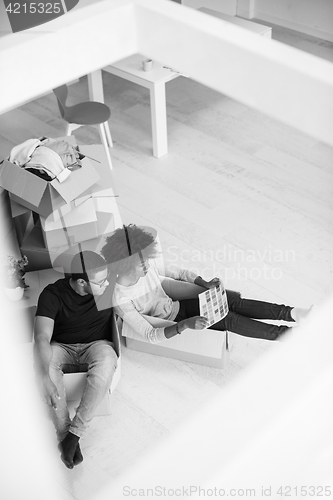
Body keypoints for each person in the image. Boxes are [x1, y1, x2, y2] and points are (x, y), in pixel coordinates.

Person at [101, 224, 311, 344]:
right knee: (228, 319)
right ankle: (285, 335)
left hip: (178, 306)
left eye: (147, 257)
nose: (148, 263)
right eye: (141, 262)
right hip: (174, 322)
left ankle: (293, 313)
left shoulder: (146, 264)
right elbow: (150, 335)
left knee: (231, 300)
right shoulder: (120, 298)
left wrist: (204, 283)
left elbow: (179, 272)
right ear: (125, 265)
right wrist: (186, 325)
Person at [33, 250, 118, 469]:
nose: (106, 284)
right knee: (44, 365)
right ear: (82, 282)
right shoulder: (52, 295)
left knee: (108, 360)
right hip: (61, 346)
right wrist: (43, 376)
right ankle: (65, 434)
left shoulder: (108, 285)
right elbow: (42, 337)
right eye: (100, 282)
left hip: (97, 344)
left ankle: (73, 435)